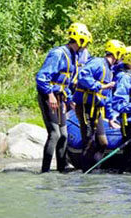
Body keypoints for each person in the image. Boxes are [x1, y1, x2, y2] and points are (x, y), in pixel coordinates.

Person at [35, 22, 90, 173]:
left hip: (60, 97)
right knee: (55, 134)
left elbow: (67, 83)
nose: (85, 47)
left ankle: (61, 169)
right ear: (80, 40)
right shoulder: (58, 53)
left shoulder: (73, 56)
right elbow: (41, 77)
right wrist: (50, 95)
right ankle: (45, 171)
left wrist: (69, 100)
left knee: (64, 135)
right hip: (49, 96)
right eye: (85, 44)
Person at [72, 39, 123, 165]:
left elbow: (108, 97)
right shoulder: (98, 63)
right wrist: (100, 86)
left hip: (97, 109)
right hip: (85, 106)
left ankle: (94, 170)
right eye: (121, 55)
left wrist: (111, 117)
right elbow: (82, 75)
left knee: (102, 142)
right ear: (116, 53)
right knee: (89, 140)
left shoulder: (110, 71)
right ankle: (86, 171)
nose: (121, 59)